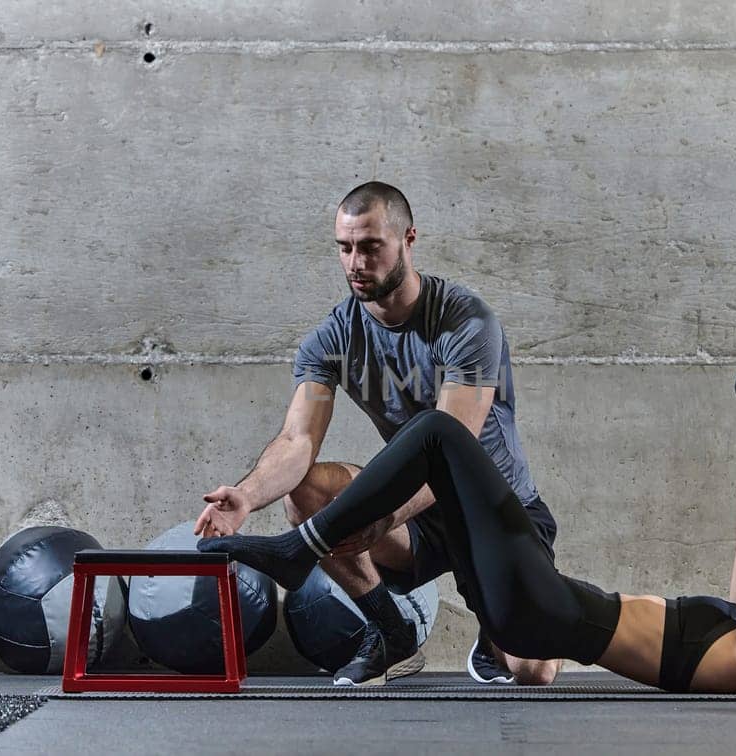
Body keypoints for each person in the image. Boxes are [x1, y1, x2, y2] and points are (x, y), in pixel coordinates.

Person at [200, 376, 736, 698]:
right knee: (449, 474)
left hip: (544, 608)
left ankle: (304, 551)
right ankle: (386, 624)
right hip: (536, 611)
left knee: (440, 434)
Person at [194, 182, 562, 687]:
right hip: (420, 523)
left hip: (496, 507)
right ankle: (391, 629)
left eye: (370, 247)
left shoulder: (465, 321)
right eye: (344, 248)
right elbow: (296, 443)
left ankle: (495, 614)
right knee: (306, 490)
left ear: (408, 240)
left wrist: (379, 513)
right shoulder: (334, 337)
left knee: (533, 671)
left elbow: (452, 448)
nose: (355, 263)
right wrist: (246, 496)